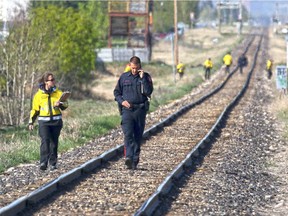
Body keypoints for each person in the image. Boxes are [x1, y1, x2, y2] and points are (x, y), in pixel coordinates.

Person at [113, 56, 153, 170]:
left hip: (140, 110)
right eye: (133, 68)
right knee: (128, 134)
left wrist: (142, 79)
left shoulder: (146, 77)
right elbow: (116, 93)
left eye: (136, 68)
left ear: (140, 66)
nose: (134, 70)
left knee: (137, 136)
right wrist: (122, 101)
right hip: (127, 110)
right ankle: (129, 158)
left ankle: (135, 159)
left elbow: (148, 91)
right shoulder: (124, 77)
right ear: (129, 65)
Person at [28, 73, 68, 171]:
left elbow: (66, 105)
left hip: (56, 122)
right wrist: (31, 122)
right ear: (46, 81)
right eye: (51, 80)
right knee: (45, 141)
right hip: (43, 122)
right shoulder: (38, 95)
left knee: (54, 143)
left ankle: (53, 163)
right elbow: (35, 110)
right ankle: (43, 162)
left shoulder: (58, 92)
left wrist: (60, 104)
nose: (54, 81)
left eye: (54, 79)